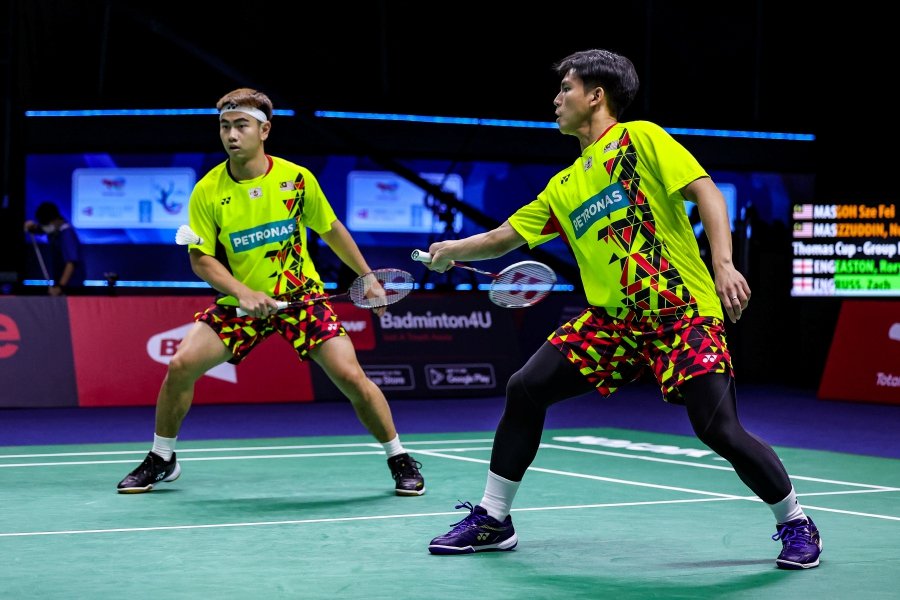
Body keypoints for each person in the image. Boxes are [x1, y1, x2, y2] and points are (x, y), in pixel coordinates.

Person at [424, 49, 821, 569]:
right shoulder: (563, 186)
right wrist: (452, 250)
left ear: (596, 95)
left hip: (680, 308)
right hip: (613, 322)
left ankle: (795, 522)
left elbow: (707, 193)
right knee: (525, 388)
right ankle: (494, 519)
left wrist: (723, 264)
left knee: (717, 427)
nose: (556, 98)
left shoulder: (641, 138)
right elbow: (503, 238)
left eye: (566, 87)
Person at [116, 88, 424, 497]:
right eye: (224, 126)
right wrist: (243, 293)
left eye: (241, 125)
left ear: (264, 130)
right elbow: (201, 259)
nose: (231, 134)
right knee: (180, 365)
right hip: (242, 302)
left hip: (300, 297)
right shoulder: (208, 190)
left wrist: (366, 275)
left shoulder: (296, 180)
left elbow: (330, 229)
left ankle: (398, 457)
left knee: (350, 376)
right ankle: (162, 458)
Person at [23, 201, 86, 295]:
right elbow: (42, 229)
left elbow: (71, 263)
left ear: (54, 220)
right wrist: (33, 227)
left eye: (46, 224)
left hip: (71, 287)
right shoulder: (55, 231)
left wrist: (60, 287)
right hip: (61, 283)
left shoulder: (66, 234)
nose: (45, 227)